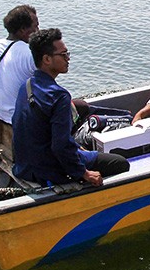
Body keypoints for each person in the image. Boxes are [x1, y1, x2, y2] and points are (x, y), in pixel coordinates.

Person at [12, 28, 129, 186]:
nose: (68, 59)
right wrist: (84, 173)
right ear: (47, 59)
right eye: (63, 54)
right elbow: (60, 146)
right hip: (47, 169)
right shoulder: (59, 96)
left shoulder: (26, 86)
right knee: (120, 162)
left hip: (24, 166)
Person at [0, 4, 39, 147]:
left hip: (0, 116)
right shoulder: (30, 53)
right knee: (76, 107)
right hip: (21, 121)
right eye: (35, 27)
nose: (38, 31)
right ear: (22, 30)